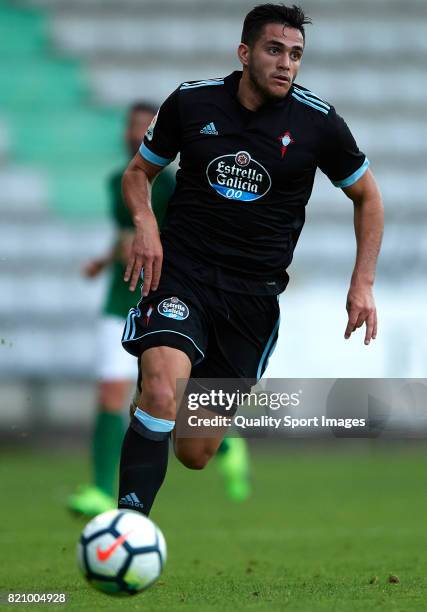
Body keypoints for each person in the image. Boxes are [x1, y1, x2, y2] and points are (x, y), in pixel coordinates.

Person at [117, 4, 384, 517]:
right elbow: (137, 173)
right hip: (184, 275)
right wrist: (146, 225)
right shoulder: (191, 103)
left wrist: (362, 282)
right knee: (160, 390)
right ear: (245, 53)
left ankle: (161, 407)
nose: (287, 63)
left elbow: (368, 198)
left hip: (252, 298)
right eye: (275, 50)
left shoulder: (318, 123)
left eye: (296, 54)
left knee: (195, 452)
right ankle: (127, 529)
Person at [68, 103, 250, 517]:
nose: (135, 135)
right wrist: (103, 260)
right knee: (113, 394)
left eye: (143, 128)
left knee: (157, 401)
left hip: (165, 303)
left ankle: (225, 443)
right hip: (119, 300)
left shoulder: (172, 186)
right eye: (131, 128)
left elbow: (162, 239)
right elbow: (129, 236)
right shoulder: (120, 180)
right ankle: (100, 488)